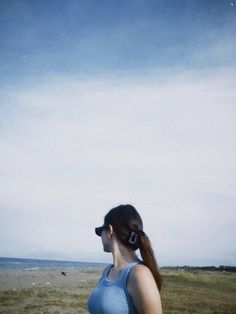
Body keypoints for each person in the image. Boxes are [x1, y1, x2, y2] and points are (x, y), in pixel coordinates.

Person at [87, 204, 163, 314]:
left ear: (109, 230)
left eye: (100, 231)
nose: (100, 236)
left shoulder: (139, 274)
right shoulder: (107, 271)